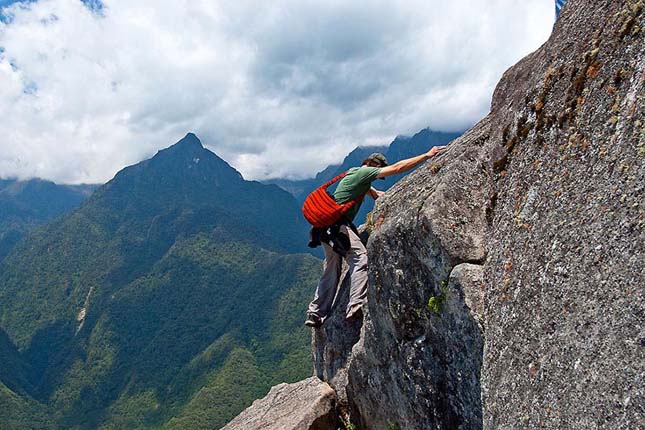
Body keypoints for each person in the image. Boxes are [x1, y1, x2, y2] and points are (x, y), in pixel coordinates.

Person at [305, 145, 447, 328]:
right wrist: (427, 155)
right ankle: (356, 303)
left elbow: (377, 195)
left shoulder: (354, 174)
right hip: (337, 227)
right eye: (378, 170)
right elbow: (397, 168)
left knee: (332, 267)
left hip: (323, 228)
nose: (379, 173)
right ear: (373, 165)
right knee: (360, 257)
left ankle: (315, 312)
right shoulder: (364, 175)